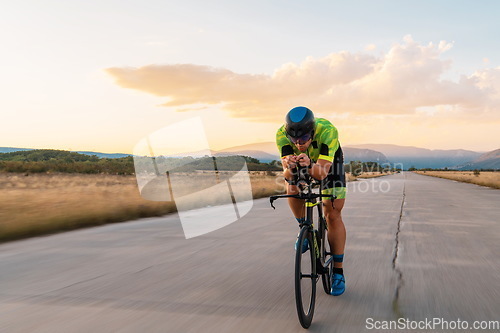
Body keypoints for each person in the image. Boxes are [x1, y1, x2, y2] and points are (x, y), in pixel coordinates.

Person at [276, 106, 347, 296]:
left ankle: (338, 272)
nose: (299, 144)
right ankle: (304, 229)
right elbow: (286, 173)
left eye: (304, 138)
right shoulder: (281, 134)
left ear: (312, 132)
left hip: (328, 166)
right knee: (291, 183)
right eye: (294, 140)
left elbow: (322, 173)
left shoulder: (327, 131)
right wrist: (290, 167)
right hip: (302, 164)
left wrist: (310, 164)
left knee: (332, 214)